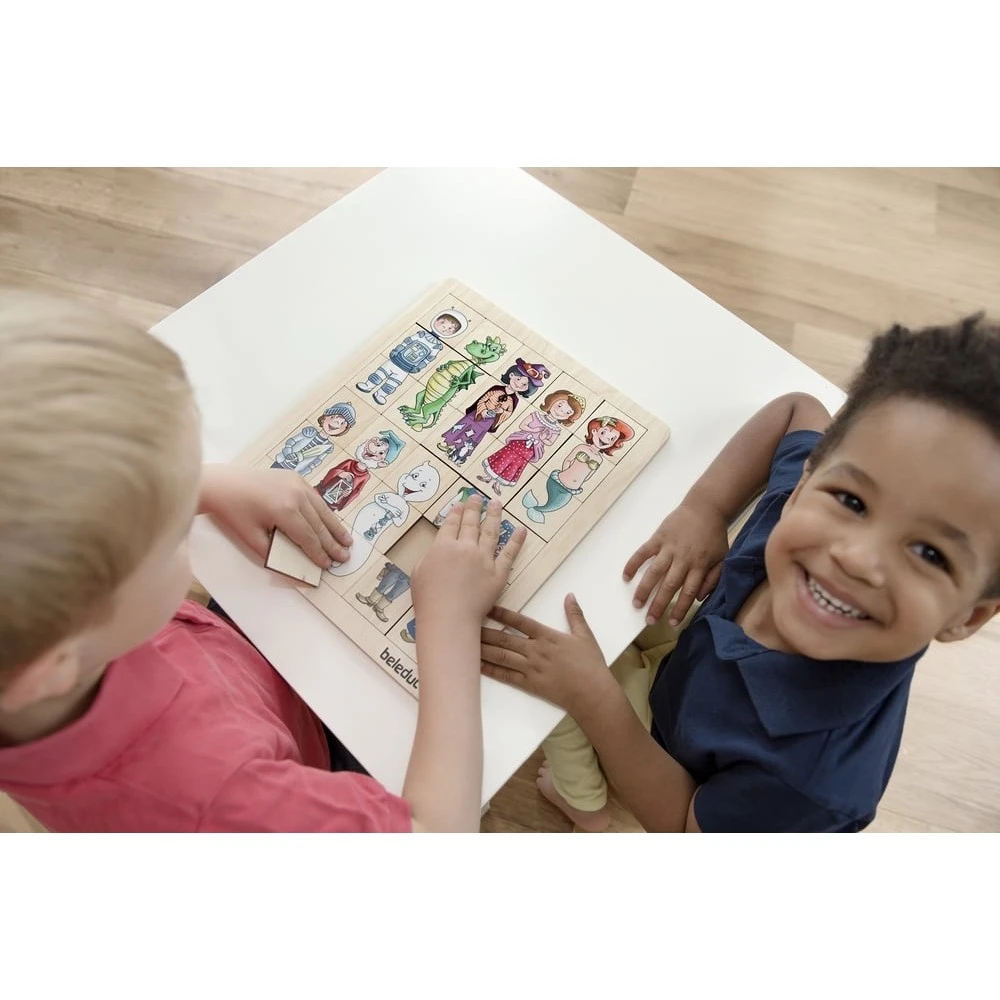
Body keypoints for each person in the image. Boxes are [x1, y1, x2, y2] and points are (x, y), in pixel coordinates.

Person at [0, 291, 525, 832]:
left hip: (243, 674)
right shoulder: (217, 797)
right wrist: (449, 626)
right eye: (175, 531)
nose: (187, 520)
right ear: (51, 667)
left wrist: (204, 486)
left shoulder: (51, 638)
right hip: (309, 755)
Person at [481, 315, 1000, 832]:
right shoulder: (802, 519)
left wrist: (593, 697)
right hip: (684, 661)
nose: (856, 558)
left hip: (668, 762)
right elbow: (799, 408)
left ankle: (586, 808)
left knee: (548, 686)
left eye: (930, 554)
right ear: (806, 481)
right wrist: (706, 508)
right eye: (852, 500)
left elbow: (684, 827)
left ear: (968, 616)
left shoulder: (814, 786)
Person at [270, 402, 356, 476]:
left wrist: (305, 472)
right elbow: (291, 441)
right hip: (281, 463)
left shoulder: (328, 447)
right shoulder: (310, 432)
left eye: (342, 423)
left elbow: (317, 461)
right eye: (332, 417)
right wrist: (288, 453)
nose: (337, 423)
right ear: (324, 418)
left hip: (294, 473)